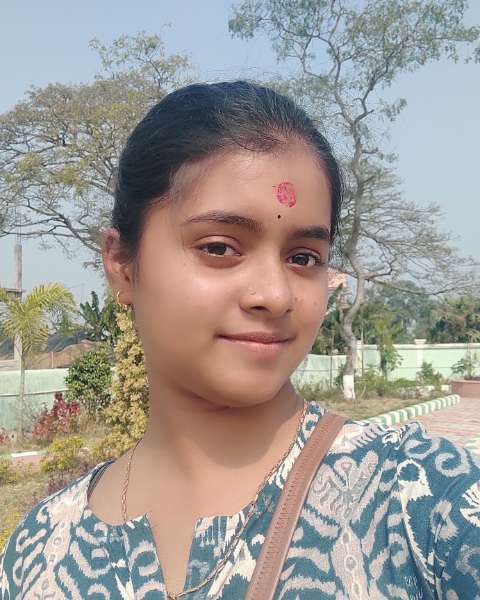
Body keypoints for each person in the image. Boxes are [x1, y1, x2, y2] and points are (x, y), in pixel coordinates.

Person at [1, 81, 479, 600]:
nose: (274, 295)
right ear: (121, 265)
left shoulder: (428, 507)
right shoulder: (39, 551)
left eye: (303, 257)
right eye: (219, 247)